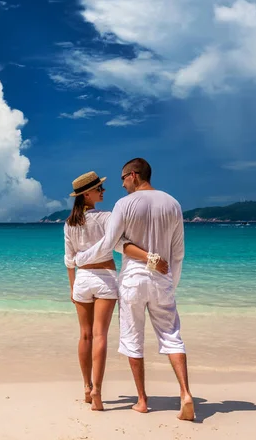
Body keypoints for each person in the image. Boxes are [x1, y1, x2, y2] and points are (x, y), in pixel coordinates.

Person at [74, 159, 194, 421]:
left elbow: (110, 243)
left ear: (133, 175)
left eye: (123, 178)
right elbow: (178, 252)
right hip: (162, 279)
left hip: (133, 281)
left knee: (132, 339)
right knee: (172, 337)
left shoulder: (124, 205)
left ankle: (142, 400)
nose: (121, 184)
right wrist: (171, 283)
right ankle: (185, 393)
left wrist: (81, 260)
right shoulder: (173, 203)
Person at [64, 171, 168, 411]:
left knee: (85, 335)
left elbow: (69, 260)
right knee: (99, 335)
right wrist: (152, 260)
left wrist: (72, 288)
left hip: (82, 279)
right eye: (99, 188)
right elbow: (122, 246)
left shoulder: (70, 224)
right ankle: (98, 393)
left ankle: (87, 388)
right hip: (105, 278)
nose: (103, 191)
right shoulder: (107, 218)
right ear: (86, 194)